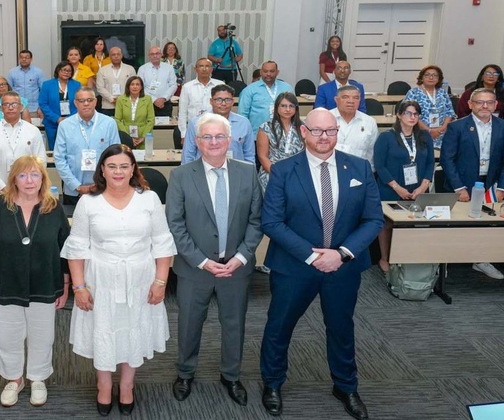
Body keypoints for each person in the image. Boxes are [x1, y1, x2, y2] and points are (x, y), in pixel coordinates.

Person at [260, 108, 383, 419]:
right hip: (294, 267)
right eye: (317, 131)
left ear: (337, 132)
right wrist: (314, 255)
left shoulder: (359, 168)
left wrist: (341, 254)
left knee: (341, 328)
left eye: (330, 131)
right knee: (279, 327)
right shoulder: (284, 170)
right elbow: (271, 222)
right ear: (304, 132)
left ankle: (346, 386)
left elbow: (373, 220)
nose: (324, 137)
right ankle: (272, 383)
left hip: (343, 267)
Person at [62, 144, 176, 416]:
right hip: (100, 278)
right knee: (104, 328)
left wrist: (161, 282)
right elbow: (77, 249)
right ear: (102, 169)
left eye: (124, 166)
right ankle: (103, 384)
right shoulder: (88, 202)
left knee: (132, 327)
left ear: (133, 168)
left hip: (141, 277)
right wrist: (79, 287)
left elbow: (162, 243)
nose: (118, 171)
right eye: (112, 166)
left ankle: (127, 385)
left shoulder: (149, 199)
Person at [166, 113, 263, 405]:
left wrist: (242, 256)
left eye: (220, 136)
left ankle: (231, 375)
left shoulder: (247, 172)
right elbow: (175, 224)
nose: (213, 142)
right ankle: (185, 372)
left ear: (229, 140)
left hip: (235, 267)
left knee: (234, 324)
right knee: (189, 324)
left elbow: (257, 220)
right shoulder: (182, 175)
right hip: (194, 268)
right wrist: (201, 261)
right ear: (197, 141)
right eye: (207, 137)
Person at [0, 155, 70, 408]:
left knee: (42, 335)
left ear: (43, 178)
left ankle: (38, 378)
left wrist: (65, 286)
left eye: (35, 175)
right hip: (5, 283)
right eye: (23, 175)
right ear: (13, 179)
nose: (29, 181)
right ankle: (14, 379)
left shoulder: (53, 207)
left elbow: (65, 249)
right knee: (6, 335)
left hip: (45, 283)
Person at [440, 88, 504, 280]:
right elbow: (447, 159)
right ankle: (447, 264)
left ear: (496, 104)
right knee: (459, 223)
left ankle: (482, 260)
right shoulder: (457, 127)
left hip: (491, 184)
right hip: (462, 184)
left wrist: (501, 187)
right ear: (470, 104)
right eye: (480, 102)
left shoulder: (502, 126)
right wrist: (459, 188)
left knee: (488, 224)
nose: (485, 106)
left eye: (489, 102)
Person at [374, 100, 434, 273]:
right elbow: (380, 166)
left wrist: (424, 186)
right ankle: (385, 258)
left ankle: (406, 258)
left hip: (417, 189)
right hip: (390, 189)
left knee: (413, 224)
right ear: (399, 115)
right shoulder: (386, 137)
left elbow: (430, 163)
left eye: (416, 114)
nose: (412, 117)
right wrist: (397, 187)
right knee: (387, 225)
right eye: (408, 113)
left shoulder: (424, 136)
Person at [53, 87, 120, 205]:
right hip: (73, 190)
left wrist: (101, 184)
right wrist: (76, 186)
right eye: (81, 100)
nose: (86, 104)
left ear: (95, 101)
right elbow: (59, 158)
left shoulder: (109, 123)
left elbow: (116, 157)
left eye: (89, 100)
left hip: (103, 188)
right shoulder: (65, 125)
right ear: (75, 103)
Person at [0, 91, 47, 193]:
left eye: (14, 104)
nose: (10, 108)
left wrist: (31, 182)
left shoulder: (33, 131)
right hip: (1, 189)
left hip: (29, 189)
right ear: (1, 108)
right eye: (6, 104)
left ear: (21, 107)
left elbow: (41, 161)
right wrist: (1, 186)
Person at [182, 84, 255, 164]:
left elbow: (249, 155)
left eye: (227, 100)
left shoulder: (244, 123)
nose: (223, 103)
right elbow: (188, 155)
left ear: (233, 102)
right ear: (211, 101)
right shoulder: (196, 123)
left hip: (236, 170)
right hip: (203, 170)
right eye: (219, 100)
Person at [257, 92, 304, 190]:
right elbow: (262, 156)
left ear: (296, 108)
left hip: (298, 174)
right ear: (276, 107)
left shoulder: (303, 127)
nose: (288, 109)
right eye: (283, 106)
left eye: (291, 106)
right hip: (272, 173)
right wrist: (277, 175)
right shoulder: (266, 127)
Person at [403, 65, 456, 149]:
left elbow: (449, 112)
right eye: (427, 75)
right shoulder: (413, 93)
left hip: (442, 133)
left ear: (439, 79)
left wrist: (442, 128)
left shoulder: (443, 92)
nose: (431, 77)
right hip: (419, 133)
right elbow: (408, 114)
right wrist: (429, 130)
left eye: (435, 75)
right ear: (421, 78)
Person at [238, 61, 294, 134]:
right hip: (256, 134)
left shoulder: (287, 88)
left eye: (272, 71)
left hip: (283, 134)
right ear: (261, 72)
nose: (268, 74)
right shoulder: (249, 90)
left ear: (277, 72)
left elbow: (294, 110)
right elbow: (242, 115)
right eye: (265, 71)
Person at [331, 85, 378, 170]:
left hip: (359, 170)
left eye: (356, 98)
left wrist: (368, 172)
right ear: (336, 100)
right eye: (345, 97)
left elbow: (371, 152)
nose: (351, 101)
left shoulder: (369, 122)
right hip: (330, 169)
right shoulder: (325, 118)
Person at [38, 61, 81, 150]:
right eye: (64, 70)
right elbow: (43, 103)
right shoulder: (47, 84)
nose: (66, 72)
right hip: (52, 122)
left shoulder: (76, 85)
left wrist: (68, 119)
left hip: (72, 122)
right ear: (58, 70)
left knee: (71, 147)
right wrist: (57, 118)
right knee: (54, 148)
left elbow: (80, 102)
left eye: (69, 71)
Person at [177, 58, 225, 135]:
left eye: (207, 66)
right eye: (201, 66)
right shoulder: (187, 87)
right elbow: (182, 113)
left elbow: (224, 109)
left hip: (216, 128)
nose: (204, 69)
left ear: (211, 69)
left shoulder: (220, 85)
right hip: (194, 129)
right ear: (195, 69)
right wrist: (183, 134)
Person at [114, 76, 154, 149]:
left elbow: (151, 120)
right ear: (128, 86)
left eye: (137, 84)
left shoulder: (147, 99)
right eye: (132, 84)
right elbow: (117, 119)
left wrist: (144, 136)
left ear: (141, 87)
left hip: (143, 135)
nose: (135, 87)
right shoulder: (121, 99)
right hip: (126, 134)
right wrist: (127, 137)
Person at [137, 46, 177, 118]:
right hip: (147, 103)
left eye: (157, 53)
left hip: (165, 104)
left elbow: (173, 85)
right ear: (149, 56)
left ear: (161, 55)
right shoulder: (142, 69)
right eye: (152, 54)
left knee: (165, 124)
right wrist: (154, 100)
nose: (155, 56)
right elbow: (140, 87)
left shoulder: (169, 68)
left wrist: (163, 98)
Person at [97, 47, 136, 117]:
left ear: (122, 55)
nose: (116, 56)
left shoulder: (130, 69)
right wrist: (111, 98)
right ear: (109, 56)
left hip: (126, 104)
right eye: (113, 54)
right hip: (108, 105)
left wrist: (122, 99)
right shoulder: (102, 70)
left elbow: (134, 86)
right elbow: (100, 88)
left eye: (118, 54)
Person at [7, 50, 45, 117]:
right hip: (16, 108)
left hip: (34, 109)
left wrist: (41, 107)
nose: (24, 59)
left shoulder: (38, 72)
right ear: (19, 59)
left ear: (31, 59)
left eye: (26, 57)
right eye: (21, 57)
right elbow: (8, 91)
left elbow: (43, 91)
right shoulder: (12, 72)